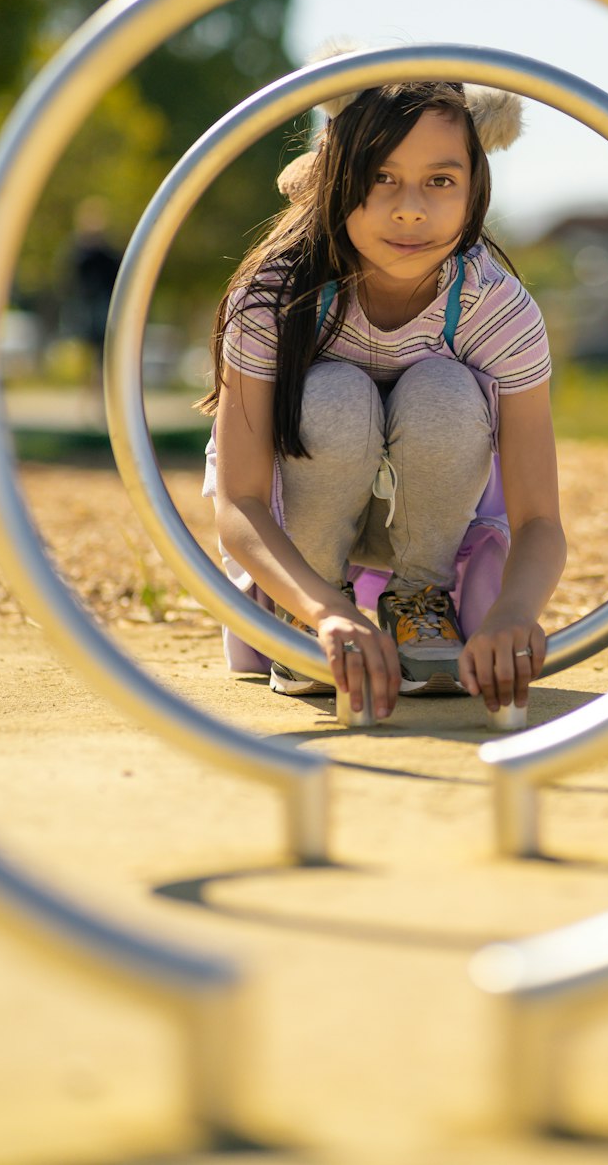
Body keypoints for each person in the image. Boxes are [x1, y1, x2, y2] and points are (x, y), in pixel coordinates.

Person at [202, 55, 566, 722]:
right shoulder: (274, 298)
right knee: (334, 396)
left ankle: (422, 599)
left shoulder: (495, 308)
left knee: (445, 391)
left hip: (434, 516)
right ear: (339, 180)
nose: (409, 209)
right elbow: (241, 500)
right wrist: (323, 607)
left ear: (475, 187)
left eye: (440, 180)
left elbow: (541, 516)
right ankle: (303, 605)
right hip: (306, 517)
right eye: (381, 178)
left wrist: (514, 613)